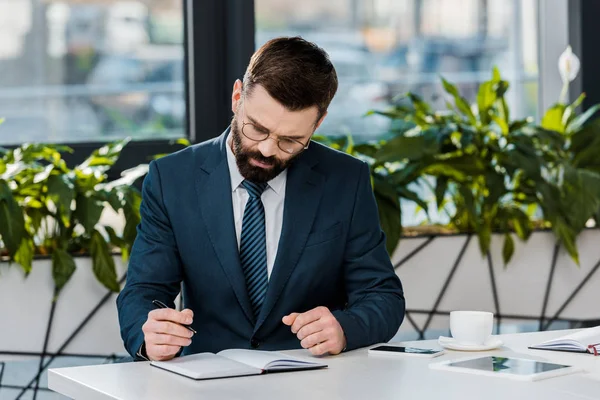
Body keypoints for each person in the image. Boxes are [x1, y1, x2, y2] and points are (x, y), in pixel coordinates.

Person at [117, 36, 405, 362]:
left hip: (312, 380)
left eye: (291, 140)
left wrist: (345, 327)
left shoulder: (345, 180)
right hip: (208, 382)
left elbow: (382, 296)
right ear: (237, 96)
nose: (268, 150)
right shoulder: (172, 179)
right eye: (257, 129)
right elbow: (144, 291)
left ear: (318, 123)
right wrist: (149, 331)